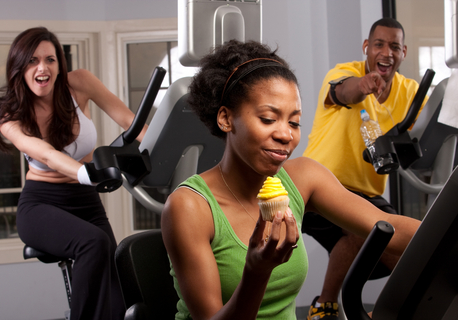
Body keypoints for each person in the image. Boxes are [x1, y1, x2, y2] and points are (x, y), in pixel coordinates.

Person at [160, 39, 421, 320]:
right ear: (226, 118)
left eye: (294, 122)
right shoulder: (189, 207)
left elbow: (388, 227)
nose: (286, 135)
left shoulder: (303, 177)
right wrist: (256, 272)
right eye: (268, 119)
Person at [0, 27, 141, 320]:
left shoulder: (79, 83)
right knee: (93, 241)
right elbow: (47, 154)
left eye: (50, 59)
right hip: (41, 205)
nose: (42, 68)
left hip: (85, 201)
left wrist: (162, 150)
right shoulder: (11, 118)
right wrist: (88, 173)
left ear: (60, 64)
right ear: (19, 67)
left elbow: (129, 120)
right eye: (33, 60)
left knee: (118, 291)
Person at [302, 18, 428, 320]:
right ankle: (324, 308)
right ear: (366, 48)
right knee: (368, 229)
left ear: (404, 52)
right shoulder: (346, 72)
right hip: (319, 184)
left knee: (405, 251)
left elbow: (428, 127)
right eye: (379, 44)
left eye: (394, 46)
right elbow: (342, 92)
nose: (387, 52)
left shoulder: (410, 91)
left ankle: (392, 311)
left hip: (366, 193)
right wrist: (363, 85)